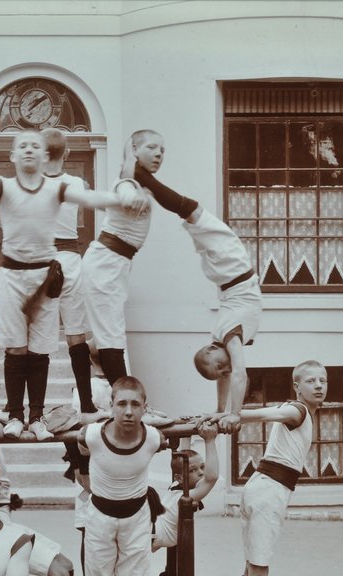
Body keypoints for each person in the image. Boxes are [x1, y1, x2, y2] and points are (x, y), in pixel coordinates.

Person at [0, 131, 148, 441]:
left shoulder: (59, 187)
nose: (30, 151)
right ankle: (16, 414)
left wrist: (122, 198)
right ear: (13, 156)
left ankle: (36, 416)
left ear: (46, 155)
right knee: (19, 347)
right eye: (23, 146)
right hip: (17, 273)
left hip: (48, 272)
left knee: (42, 348)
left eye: (36, 146)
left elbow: (91, 198)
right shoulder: (8, 185)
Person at [123, 146, 261, 433]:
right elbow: (227, 375)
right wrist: (219, 409)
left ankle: (142, 178)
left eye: (220, 366)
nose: (226, 370)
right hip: (225, 277)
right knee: (191, 216)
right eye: (221, 370)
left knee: (191, 210)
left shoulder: (229, 336)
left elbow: (238, 374)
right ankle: (144, 181)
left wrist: (234, 413)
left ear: (213, 349)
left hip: (233, 269)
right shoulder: (223, 342)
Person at [77, 375, 164, 576]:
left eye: (135, 405)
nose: (128, 411)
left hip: (136, 519)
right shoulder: (92, 436)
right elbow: (77, 445)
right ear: (110, 407)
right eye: (122, 404)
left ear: (145, 409)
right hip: (100, 517)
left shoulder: (153, 437)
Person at [237, 360, 326, 576]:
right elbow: (272, 413)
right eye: (310, 381)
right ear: (297, 387)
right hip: (269, 491)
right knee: (259, 565)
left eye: (322, 380)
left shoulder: (304, 413)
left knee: (254, 564)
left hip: (262, 487)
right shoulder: (298, 410)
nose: (319, 385)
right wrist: (235, 416)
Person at [80, 131, 159, 385]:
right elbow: (124, 192)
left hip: (116, 265)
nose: (159, 153)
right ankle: (130, 402)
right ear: (134, 150)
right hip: (107, 264)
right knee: (112, 340)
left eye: (163, 150)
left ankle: (90, 350)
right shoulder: (129, 183)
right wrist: (129, 198)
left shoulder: (141, 184)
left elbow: (113, 205)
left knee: (110, 336)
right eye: (152, 147)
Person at [41, 128, 105, 423]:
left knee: (36, 337)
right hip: (69, 260)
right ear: (65, 154)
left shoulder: (30, 183)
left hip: (38, 260)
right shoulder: (77, 182)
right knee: (76, 335)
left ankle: (33, 410)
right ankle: (88, 404)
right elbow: (98, 202)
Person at [152, 421, 219, 550]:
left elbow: (210, 477)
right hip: (152, 532)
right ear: (179, 477)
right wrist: (209, 440)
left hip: (153, 531)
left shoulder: (180, 488)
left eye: (202, 467)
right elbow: (212, 478)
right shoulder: (184, 495)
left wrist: (190, 427)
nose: (201, 473)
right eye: (192, 470)